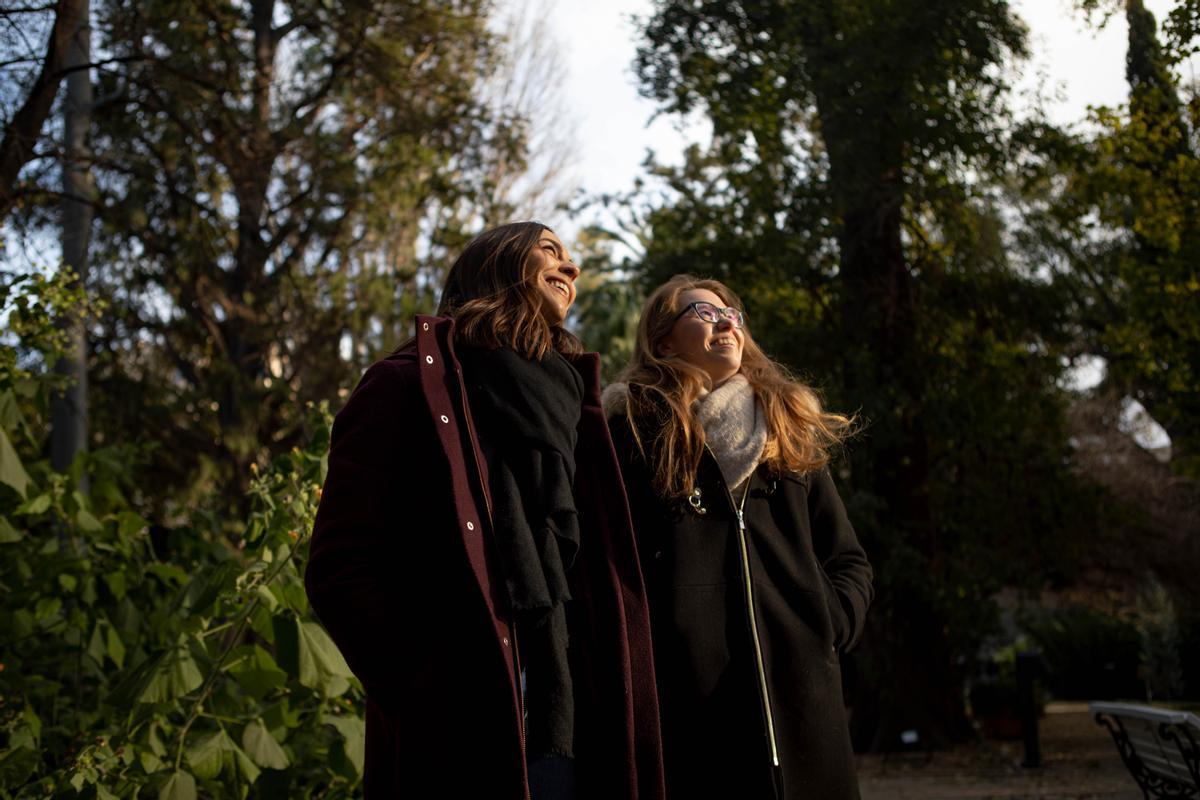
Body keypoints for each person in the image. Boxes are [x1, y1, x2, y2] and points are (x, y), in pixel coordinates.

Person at [305, 222, 665, 800]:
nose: (570, 269)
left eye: (571, 260)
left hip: (568, 716)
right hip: (459, 728)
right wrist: (424, 687)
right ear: (497, 262)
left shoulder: (572, 402)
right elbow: (339, 569)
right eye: (550, 250)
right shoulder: (405, 387)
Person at [603, 275, 873, 799]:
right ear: (662, 341)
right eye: (703, 313)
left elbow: (848, 558)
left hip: (806, 713)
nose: (726, 321)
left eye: (732, 315)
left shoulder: (785, 427)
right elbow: (613, 565)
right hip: (693, 714)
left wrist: (827, 622)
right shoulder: (633, 434)